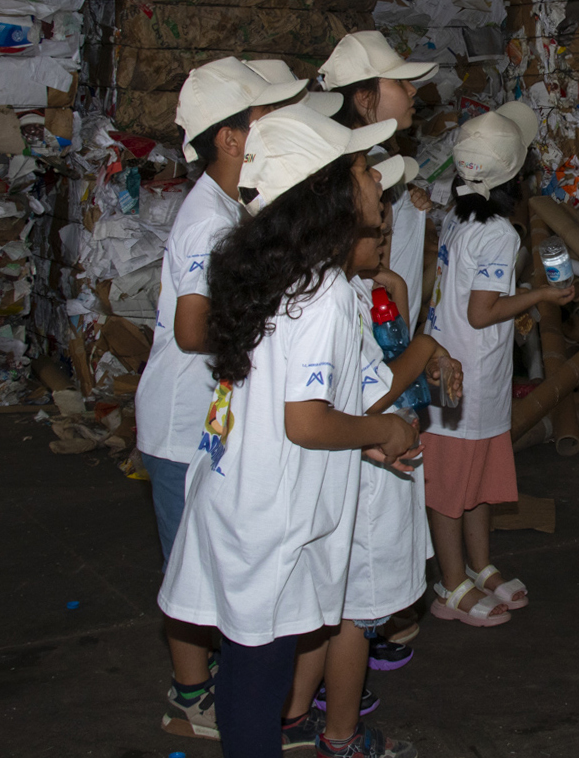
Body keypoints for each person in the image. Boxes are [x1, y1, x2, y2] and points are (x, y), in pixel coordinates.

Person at [157, 107, 421, 757]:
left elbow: (288, 398)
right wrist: (382, 427)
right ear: (326, 190)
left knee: (252, 674)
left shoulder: (268, 269)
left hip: (237, 493)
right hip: (273, 516)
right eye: (361, 169)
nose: (372, 182)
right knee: (257, 683)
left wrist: (358, 434)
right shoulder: (327, 289)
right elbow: (304, 420)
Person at [137, 57, 308, 740]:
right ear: (232, 138)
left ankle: (202, 688)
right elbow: (190, 326)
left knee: (202, 563)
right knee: (192, 567)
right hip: (183, 421)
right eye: (263, 117)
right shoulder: (208, 220)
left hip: (201, 416)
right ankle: (192, 695)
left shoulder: (232, 204)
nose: (274, 126)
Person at [281, 206, 465, 758]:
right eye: (374, 234)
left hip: (375, 467)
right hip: (364, 479)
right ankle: (343, 737)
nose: (385, 242)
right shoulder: (335, 303)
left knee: (330, 610)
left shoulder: (365, 290)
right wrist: (428, 348)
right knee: (355, 616)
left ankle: (293, 717)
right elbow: (373, 392)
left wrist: (424, 351)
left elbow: (392, 361)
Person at [422, 101, 573, 626]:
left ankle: (479, 566)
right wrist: (540, 297)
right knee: (448, 485)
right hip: (461, 376)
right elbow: (482, 311)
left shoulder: (460, 215)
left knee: (477, 476)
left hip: (462, 371)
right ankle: (450, 581)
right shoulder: (500, 234)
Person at [316, 32, 439, 320]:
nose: (412, 90)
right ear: (364, 96)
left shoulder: (378, 156)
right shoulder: (355, 172)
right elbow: (372, 270)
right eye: (398, 81)